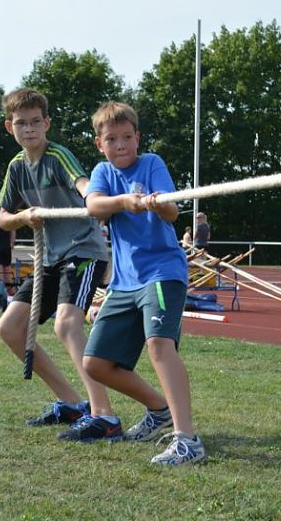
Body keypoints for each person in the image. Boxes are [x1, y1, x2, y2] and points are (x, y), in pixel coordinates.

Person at [80, 100, 205, 466]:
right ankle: (158, 408)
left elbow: (172, 210)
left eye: (127, 137)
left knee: (159, 346)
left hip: (162, 273)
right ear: (100, 144)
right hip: (123, 281)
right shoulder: (103, 171)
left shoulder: (152, 164)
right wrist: (125, 202)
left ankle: (187, 439)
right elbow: (93, 206)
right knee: (95, 363)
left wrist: (154, 204)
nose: (120, 145)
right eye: (112, 139)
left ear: (138, 138)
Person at [0, 87, 116, 439]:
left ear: (47, 123)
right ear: (10, 127)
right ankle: (72, 402)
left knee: (66, 325)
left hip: (82, 252)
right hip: (48, 259)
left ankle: (104, 414)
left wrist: (94, 197)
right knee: (9, 328)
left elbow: (82, 182)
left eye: (36, 122)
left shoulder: (57, 155)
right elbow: (2, 217)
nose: (29, 129)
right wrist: (23, 217)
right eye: (21, 123)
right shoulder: (16, 168)